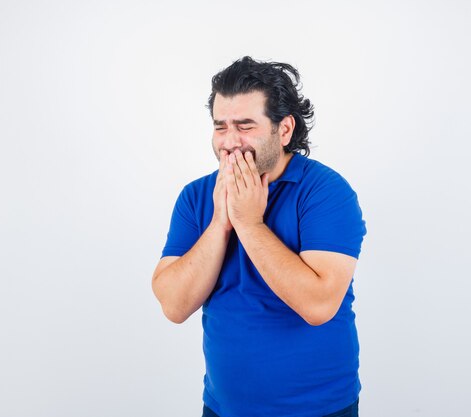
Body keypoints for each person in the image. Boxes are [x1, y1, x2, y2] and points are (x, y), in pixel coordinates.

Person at [152, 56, 367, 417]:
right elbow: (173, 305)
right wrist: (221, 222)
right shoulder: (196, 196)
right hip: (223, 408)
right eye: (220, 127)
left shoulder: (326, 192)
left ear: (284, 130)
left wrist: (249, 224)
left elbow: (318, 306)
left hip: (319, 410)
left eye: (245, 125)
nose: (229, 141)